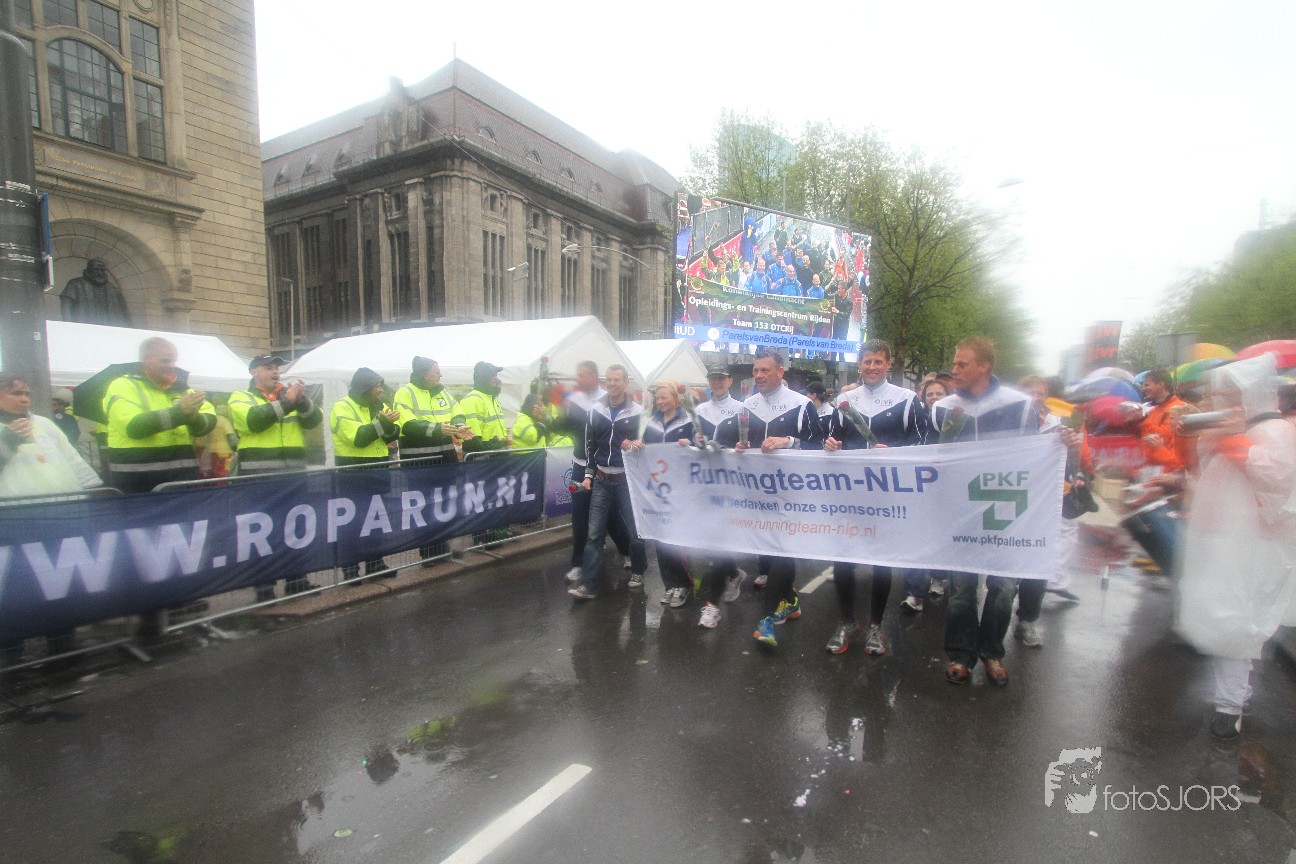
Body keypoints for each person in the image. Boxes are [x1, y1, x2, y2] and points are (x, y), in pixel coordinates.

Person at [1176, 353, 1296, 740]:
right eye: (1220, 394)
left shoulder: (1275, 430)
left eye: (1229, 393)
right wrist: (1202, 435)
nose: (1221, 400)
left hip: (1251, 545)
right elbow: (1203, 469)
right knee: (1221, 616)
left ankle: (1229, 706)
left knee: (1236, 620)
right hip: (1219, 537)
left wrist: (1233, 441)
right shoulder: (1236, 426)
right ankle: (1231, 696)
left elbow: (1278, 480)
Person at [930, 337, 1041, 685]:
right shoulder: (942, 408)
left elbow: (1038, 454)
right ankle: (960, 654)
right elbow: (925, 454)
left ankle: (992, 651)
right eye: (954, 363)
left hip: (1003, 510)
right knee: (962, 588)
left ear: (984, 366)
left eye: (962, 364)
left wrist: (1064, 443)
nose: (954, 370)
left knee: (1003, 587)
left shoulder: (1019, 405)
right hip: (959, 511)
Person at [821, 340, 922, 655]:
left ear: (888, 364)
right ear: (859, 364)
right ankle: (847, 621)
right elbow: (833, 437)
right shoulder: (845, 401)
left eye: (878, 361)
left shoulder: (907, 400)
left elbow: (922, 444)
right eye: (867, 362)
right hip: (850, 493)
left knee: (881, 563)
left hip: (887, 495)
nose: (872, 367)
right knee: (843, 559)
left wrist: (895, 453)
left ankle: (876, 627)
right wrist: (831, 444)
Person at [0, 373, 102, 664]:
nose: (24, 400)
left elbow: (72, 459)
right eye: (16, 393)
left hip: (60, 517)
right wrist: (8, 442)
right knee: (16, 585)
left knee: (60, 583)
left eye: (26, 394)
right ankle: (10, 649)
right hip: (14, 522)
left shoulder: (44, 424)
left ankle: (61, 642)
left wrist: (94, 491)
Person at [741, 348, 822, 646]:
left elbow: (818, 445)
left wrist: (788, 441)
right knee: (771, 549)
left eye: (765, 370)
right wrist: (741, 446)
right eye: (756, 370)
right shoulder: (747, 405)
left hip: (793, 491)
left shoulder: (801, 404)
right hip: (759, 490)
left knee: (782, 549)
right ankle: (791, 600)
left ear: (780, 372)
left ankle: (766, 619)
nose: (759, 375)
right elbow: (741, 442)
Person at [229, 354, 325, 598]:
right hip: (259, 477)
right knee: (261, 532)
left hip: (293, 476)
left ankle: (297, 580)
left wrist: (301, 400)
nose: (275, 372)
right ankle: (264, 586)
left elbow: (314, 420)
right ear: (253, 372)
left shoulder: (288, 396)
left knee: (295, 528)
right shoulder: (241, 397)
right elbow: (254, 421)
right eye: (268, 367)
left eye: (277, 368)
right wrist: (287, 401)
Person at [569, 365, 648, 600]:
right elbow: (590, 446)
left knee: (635, 531)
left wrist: (637, 445)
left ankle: (638, 570)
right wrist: (588, 475)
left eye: (617, 380)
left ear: (625, 382)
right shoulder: (596, 410)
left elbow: (645, 443)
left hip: (627, 480)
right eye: (609, 379)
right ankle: (588, 585)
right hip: (602, 479)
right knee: (594, 534)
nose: (612, 383)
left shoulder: (638, 411)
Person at [103, 337, 216, 495]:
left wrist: (193, 418)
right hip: (138, 483)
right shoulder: (123, 385)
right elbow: (133, 427)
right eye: (165, 360)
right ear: (145, 360)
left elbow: (209, 420)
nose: (172, 366)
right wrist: (180, 413)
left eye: (174, 361)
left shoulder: (182, 388)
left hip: (182, 479)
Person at [556, 361, 631, 583]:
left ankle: (627, 551)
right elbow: (565, 428)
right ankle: (578, 564)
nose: (578, 379)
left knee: (611, 515)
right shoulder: (574, 400)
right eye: (577, 375)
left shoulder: (607, 399)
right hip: (580, 465)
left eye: (582, 375)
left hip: (602, 467)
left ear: (594, 376)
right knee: (579, 515)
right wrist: (551, 419)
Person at [330, 367, 400, 580]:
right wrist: (383, 423)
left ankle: (375, 563)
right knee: (352, 523)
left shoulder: (380, 407)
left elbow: (392, 434)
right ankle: (351, 569)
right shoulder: (342, 407)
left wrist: (388, 426)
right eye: (377, 386)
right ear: (365, 388)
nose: (380, 390)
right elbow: (359, 438)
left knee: (376, 521)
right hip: (353, 473)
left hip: (377, 470)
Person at [632, 383, 695, 608]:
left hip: (681, 489)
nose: (660, 402)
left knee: (676, 539)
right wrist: (637, 444)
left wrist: (691, 444)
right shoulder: (650, 421)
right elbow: (642, 444)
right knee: (660, 537)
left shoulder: (688, 420)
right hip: (658, 489)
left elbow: (701, 445)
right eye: (657, 398)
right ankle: (669, 584)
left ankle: (683, 584)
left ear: (675, 398)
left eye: (664, 397)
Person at [694, 364, 748, 626]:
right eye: (713, 379)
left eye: (721, 379)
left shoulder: (741, 409)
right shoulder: (699, 410)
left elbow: (747, 444)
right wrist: (694, 443)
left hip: (731, 483)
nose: (716, 383)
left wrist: (738, 448)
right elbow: (692, 444)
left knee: (719, 540)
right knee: (709, 540)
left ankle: (712, 606)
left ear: (730, 381)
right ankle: (734, 573)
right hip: (705, 484)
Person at [900, 377, 952, 611]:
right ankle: (914, 593)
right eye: (930, 394)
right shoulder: (916, 419)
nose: (934, 398)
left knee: (940, 536)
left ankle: (939, 577)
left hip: (946, 490)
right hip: (918, 488)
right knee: (916, 538)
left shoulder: (955, 421)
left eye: (939, 394)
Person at [1138, 368, 1189, 475]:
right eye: (1143, 385)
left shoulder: (1178, 408)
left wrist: (1142, 420)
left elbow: (1164, 437)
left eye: (1147, 385)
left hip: (1169, 472)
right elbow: (1147, 439)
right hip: (1151, 470)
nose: (1143, 389)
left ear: (1161, 385)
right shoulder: (1153, 410)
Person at [60, 258, 131, 325]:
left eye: (102, 270)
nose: (99, 273)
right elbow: (66, 306)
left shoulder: (113, 289)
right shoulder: (76, 284)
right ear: (89, 269)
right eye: (96, 269)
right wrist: (69, 325)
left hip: (108, 329)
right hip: (83, 327)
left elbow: (124, 311)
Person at [459, 362, 508, 453]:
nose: (497, 379)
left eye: (496, 375)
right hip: (484, 456)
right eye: (493, 376)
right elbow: (472, 438)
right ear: (484, 378)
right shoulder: (472, 399)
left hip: (498, 453)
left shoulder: (492, 399)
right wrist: (487, 452)